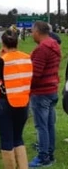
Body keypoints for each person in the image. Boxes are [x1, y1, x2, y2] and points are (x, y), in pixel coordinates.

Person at [0, 29, 32, 168]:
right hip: (23, 102)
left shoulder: (3, 60)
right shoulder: (27, 58)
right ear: (17, 42)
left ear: (3, 43)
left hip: (5, 102)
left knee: (6, 139)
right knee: (18, 138)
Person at [28, 21, 61, 167]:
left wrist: (28, 88)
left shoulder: (42, 49)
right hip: (51, 89)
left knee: (41, 126)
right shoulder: (54, 46)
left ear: (37, 32)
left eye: (32, 31)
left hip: (41, 92)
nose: (31, 34)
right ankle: (49, 152)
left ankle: (43, 157)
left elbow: (36, 74)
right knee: (49, 125)